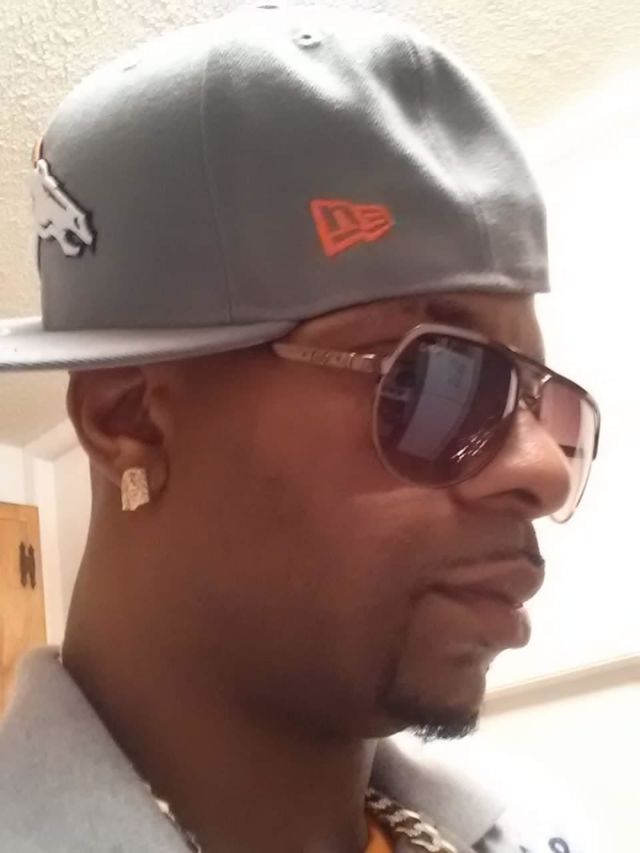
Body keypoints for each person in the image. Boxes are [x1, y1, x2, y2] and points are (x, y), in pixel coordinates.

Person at [0, 4, 600, 852]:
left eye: (544, 405)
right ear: (129, 418)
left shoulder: (551, 828)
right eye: (439, 378)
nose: (543, 469)